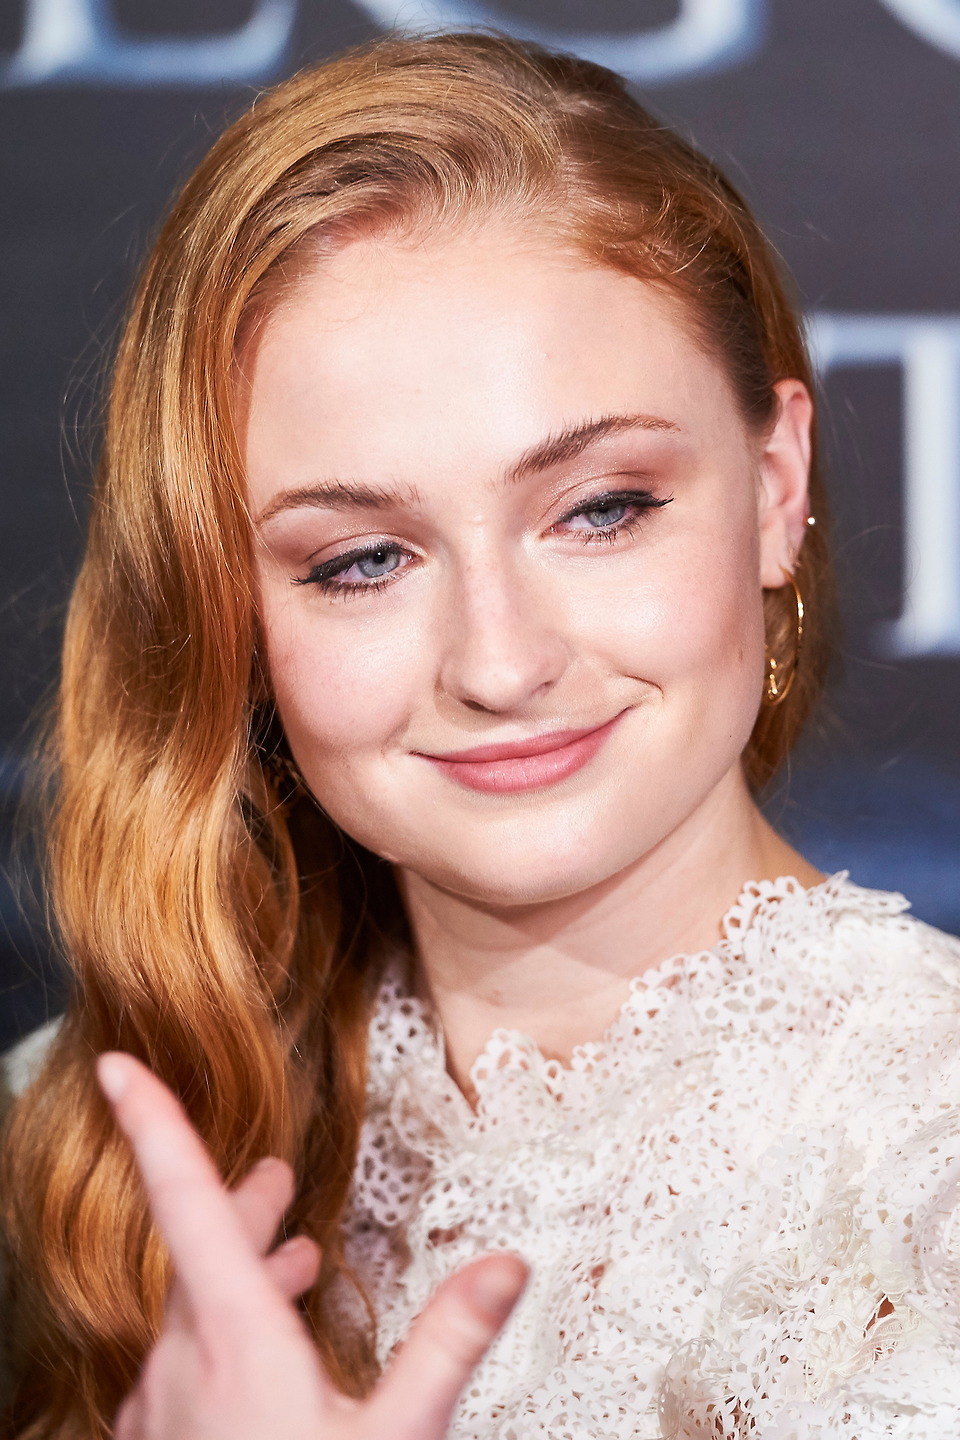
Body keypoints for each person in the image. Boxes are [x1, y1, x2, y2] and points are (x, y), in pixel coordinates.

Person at [1, 27, 959, 1440]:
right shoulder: (64, 1144)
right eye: (361, 561)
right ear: (230, 609)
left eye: (602, 509)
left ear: (773, 487)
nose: (501, 665)